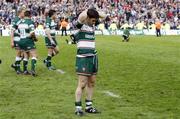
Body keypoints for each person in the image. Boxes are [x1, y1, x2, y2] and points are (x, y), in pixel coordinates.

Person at [74, 8, 106, 116]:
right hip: (83, 57)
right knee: (82, 84)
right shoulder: (80, 25)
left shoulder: (92, 23)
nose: (94, 23)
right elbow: (81, 16)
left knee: (92, 82)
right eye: (93, 20)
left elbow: (104, 16)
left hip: (93, 57)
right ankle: (78, 107)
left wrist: (95, 12)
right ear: (88, 18)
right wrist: (88, 11)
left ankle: (89, 106)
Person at [18, 10, 38, 76]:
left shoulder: (20, 22)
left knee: (26, 55)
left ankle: (25, 71)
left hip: (21, 40)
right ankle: (33, 70)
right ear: (30, 15)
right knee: (34, 55)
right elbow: (32, 33)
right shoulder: (30, 22)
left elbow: (18, 32)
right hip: (28, 40)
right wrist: (35, 38)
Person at [10, 8, 25, 74]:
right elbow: (12, 31)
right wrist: (12, 41)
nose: (24, 14)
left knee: (24, 54)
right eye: (23, 12)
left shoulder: (22, 20)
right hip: (17, 39)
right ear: (20, 13)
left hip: (21, 39)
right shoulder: (16, 20)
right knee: (19, 53)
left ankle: (15, 65)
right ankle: (17, 69)